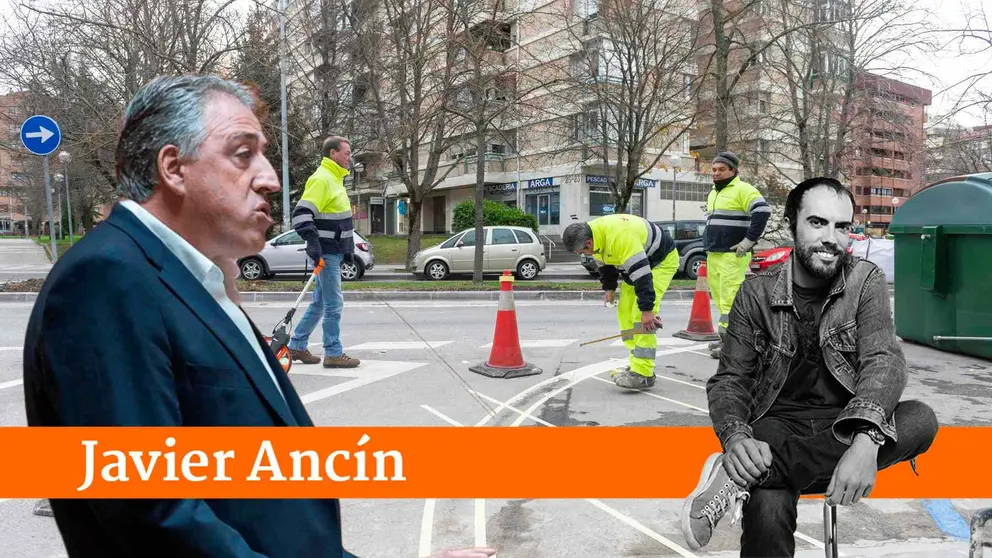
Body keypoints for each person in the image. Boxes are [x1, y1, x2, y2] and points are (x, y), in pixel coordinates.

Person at [21, 74, 495, 558]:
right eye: (243, 154)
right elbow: (158, 519)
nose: (270, 178)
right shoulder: (106, 280)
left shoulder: (193, 282)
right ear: (173, 167)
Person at [679, 177, 939, 557]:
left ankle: (736, 479)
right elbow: (730, 380)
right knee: (767, 496)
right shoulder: (756, 293)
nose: (831, 237)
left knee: (921, 419)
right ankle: (753, 470)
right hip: (778, 426)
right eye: (818, 223)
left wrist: (867, 441)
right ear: (791, 224)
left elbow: (883, 360)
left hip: (845, 425)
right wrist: (736, 439)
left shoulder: (865, 281)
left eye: (842, 226)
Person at [562, 213, 680, 390]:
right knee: (625, 313)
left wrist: (648, 311)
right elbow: (605, 265)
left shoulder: (619, 236)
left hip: (659, 262)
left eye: (583, 252)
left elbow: (643, 275)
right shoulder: (596, 238)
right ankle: (636, 364)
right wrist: (609, 289)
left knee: (639, 316)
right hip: (637, 266)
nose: (585, 255)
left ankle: (644, 374)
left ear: (588, 243)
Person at [285, 136, 361, 368]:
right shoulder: (322, 179)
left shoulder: (335, 180)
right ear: (333, 154)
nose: (350, 157)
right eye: (347, 153)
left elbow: (338, 220)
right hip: (326, 253)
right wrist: (313, 242)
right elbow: (302, 214)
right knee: (334, 304)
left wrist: (347, 249)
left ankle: (297, 345)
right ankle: (333, 352)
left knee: (319, 303)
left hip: (334, 251)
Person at [702, 152, 771, 359]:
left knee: (730, 300)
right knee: (721, 299)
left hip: (732, 254)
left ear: (733, 171)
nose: (716, 173)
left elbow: (763, 211)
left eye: (721, 169)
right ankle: (725, 338)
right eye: (714, 169)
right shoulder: (714, 192)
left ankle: (732, 344)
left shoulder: (743, 189)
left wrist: (748, 241)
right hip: (715, 253)